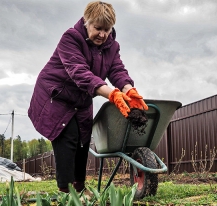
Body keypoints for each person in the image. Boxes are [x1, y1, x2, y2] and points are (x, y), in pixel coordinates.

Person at [28, 1, 148, 193]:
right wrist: (112, 94)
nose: (102, 34)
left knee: (83, 140)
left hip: (81, 99)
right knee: (68, 136)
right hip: (56, 95)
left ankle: (79, 187)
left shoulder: (112, 46)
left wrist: (127, 89)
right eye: (98, 28)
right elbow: (79, 72)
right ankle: (66, 192)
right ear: (86, 22)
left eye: (107, 29)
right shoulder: (71, 38)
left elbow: (116, 69)